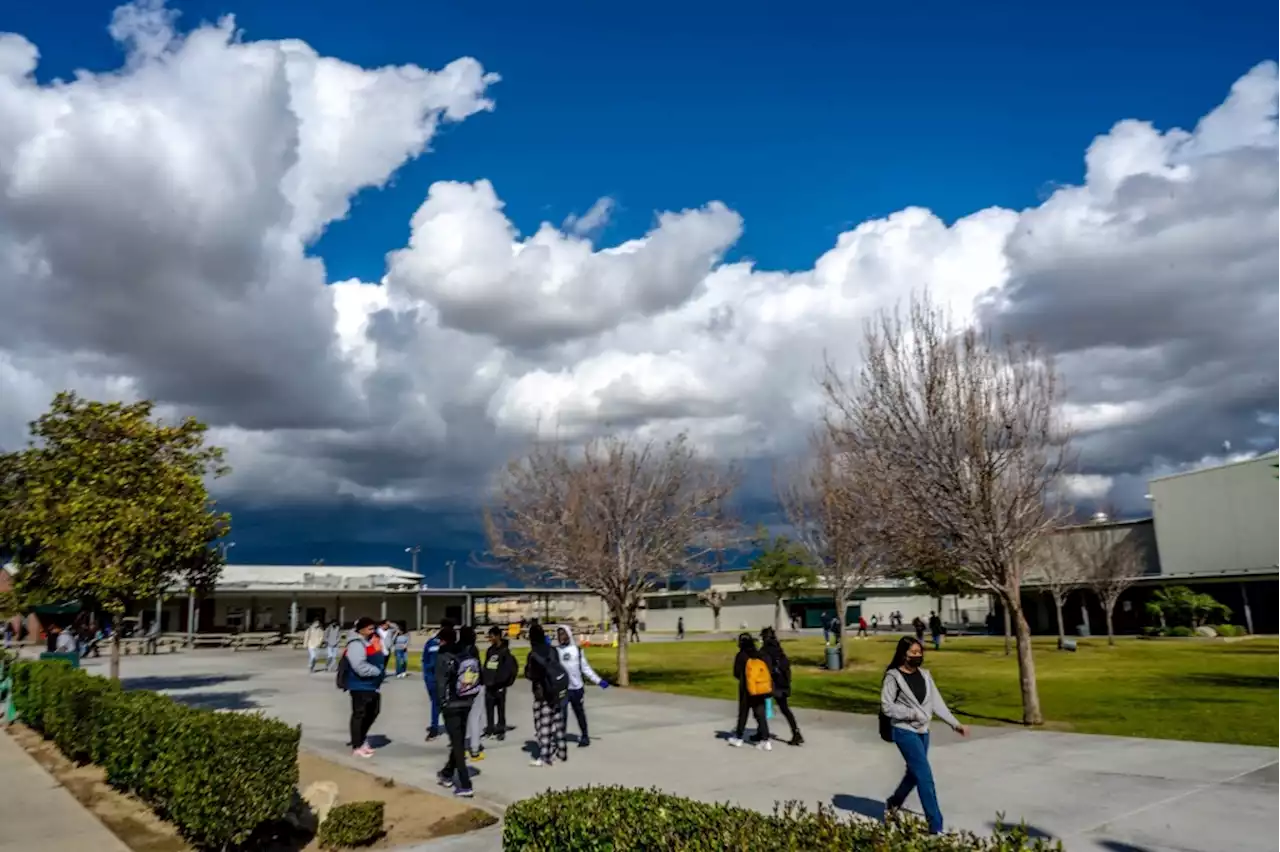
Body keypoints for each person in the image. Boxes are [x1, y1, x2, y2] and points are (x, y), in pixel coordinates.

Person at [880, 636, 968, 834]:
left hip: (923, 731)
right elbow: (887, 706)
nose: (918, 656)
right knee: (925, 776)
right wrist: (910, 713)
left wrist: (955, 724)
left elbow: (937, 703)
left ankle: (894, 802)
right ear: (904, 654)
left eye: (920, 653)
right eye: (913, 653)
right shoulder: (893, 677)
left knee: (914, 774)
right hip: (904, 731)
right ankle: (935, 825)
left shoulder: (926, 675)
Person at [434, 625, 479, 798]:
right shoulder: (466, 653)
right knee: (458, 739)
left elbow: (440, 682)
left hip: (451, 703)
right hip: (467, 700)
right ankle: (447, 773)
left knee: (458, 744)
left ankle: (465, 784)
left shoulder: (443, 656)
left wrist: (440, 704)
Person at [555, 625, 609, 747]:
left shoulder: (577, 651)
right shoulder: (556, 651)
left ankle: (585, 736)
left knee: (579, 712)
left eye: (563, 634)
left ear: (568, 635)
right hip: (562, 689)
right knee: (561, 714)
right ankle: (561, 738)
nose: (561, 637)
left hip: (576, 688)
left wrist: (598, 681)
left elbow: (585, 669)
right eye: (559, 634)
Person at [343, 616, 387, 758]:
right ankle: (357, 744)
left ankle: (362, 739)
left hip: (371, 684)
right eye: (369, 628)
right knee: (360, 714)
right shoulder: (356, 644)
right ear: (361, 629)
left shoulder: (371, 641)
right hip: (359, 684)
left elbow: (384, 653)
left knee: (373, 711)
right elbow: (359, 666)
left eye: (374, 628)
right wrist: (376, 671)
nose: (372, 631)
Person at [525, 622, 568, 767]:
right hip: (556, 691)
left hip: (542, 693)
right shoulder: (553, 650)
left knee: (542, 725)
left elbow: (531, 674)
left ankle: (545, 755)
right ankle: (561, 751)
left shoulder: (534, 654)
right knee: (558, 721)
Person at [759, 627, 803, 746]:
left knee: (759, 707)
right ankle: (796, 732)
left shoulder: (764, 651)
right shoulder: (779, 649)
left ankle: (761, 732)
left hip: (772, 683)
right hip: (783, 682)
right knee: (785, 709)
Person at [727, 632, 771, 750]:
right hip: (759, 689)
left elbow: (736, 673)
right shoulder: (759, 654)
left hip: (745, 689)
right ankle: (765, 740)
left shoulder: (741, 656)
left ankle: (739, 737)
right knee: (760, 713)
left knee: (743, 713)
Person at [482, 626, 516, 740]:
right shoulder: (490, 650)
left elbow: (507, 669)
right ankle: (490, 729)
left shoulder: (505, 651)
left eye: (491, 636)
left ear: (497, 636)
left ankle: (501, 729)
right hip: (489, 685)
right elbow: (487, 666)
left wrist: (501, 683)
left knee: (501, 709)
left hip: (499, 686)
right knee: (489, 708)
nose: (490, 639)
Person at [459, 626, 487, 760]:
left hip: (461, 689)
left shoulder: (457, 649)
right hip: (476, 687)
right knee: (475, 718)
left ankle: (462, 748)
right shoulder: (473, 649)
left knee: (462, 719)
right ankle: (474, 749)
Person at [422, 621, 451, 740]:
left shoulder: (432, 642)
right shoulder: (434, 643)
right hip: (435, 678)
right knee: (438, 702)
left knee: (437, 703)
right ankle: (436, 727)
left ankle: (436, 727)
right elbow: (426, 660)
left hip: (435, 677)